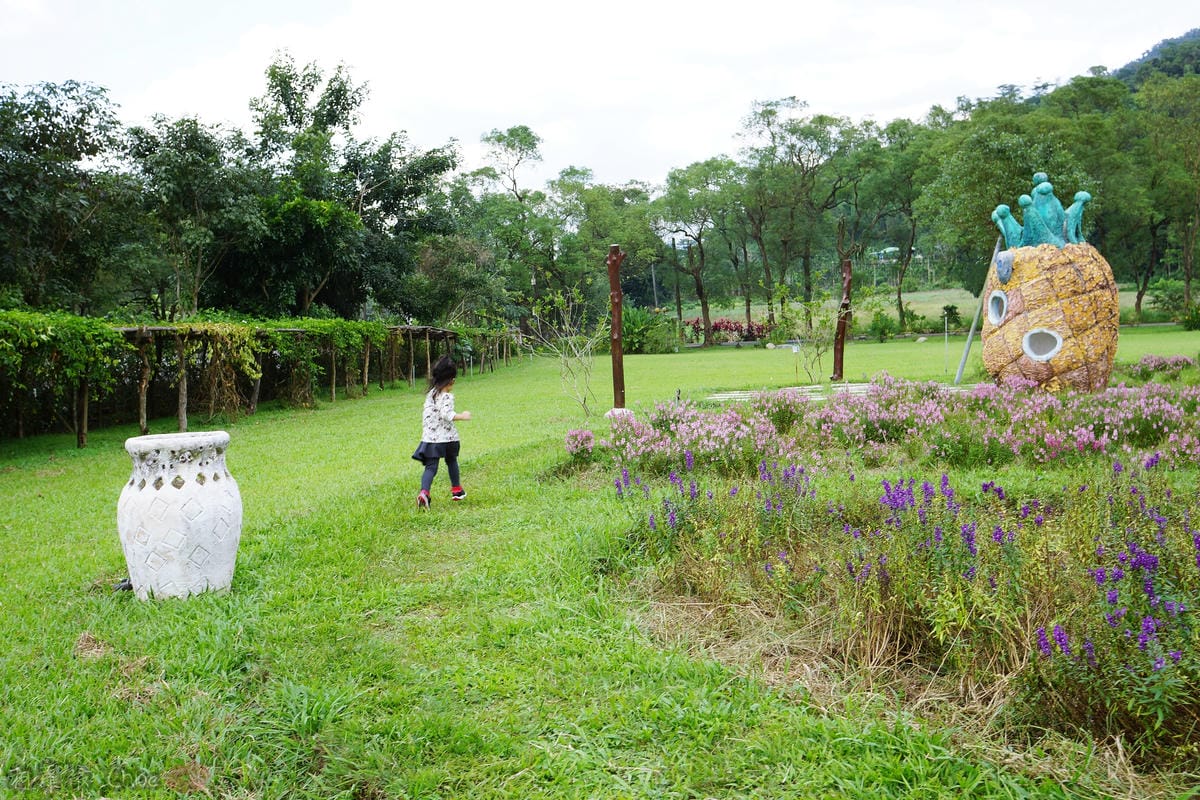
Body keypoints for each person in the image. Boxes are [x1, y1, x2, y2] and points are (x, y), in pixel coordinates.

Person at [411, 355, 471, 509]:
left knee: (431, 467)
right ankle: (456, 490)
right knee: (451, 461)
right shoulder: (446, 397)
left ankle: (424, 492)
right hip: (447, 439)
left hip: (431, 439)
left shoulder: (431, 394)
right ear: (451, 380)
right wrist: (462, 416)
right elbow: (446, 414)